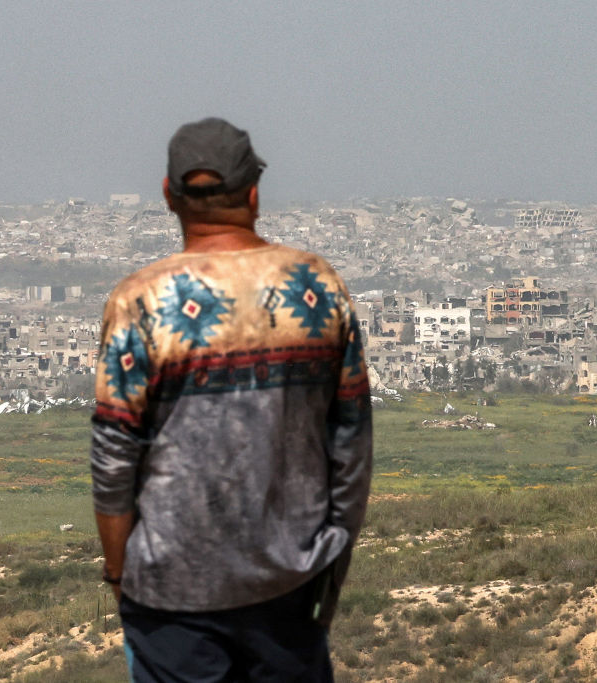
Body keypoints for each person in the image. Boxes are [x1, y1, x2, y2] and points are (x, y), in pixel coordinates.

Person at [91, 118, 372, 682]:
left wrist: (121, 572)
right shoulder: (315, 286)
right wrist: (330, 554)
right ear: (253, 194)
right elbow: (350, 443)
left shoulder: (142, 300)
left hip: (172, 589)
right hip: (290, 581)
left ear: (170, 196)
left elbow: (115, 455)